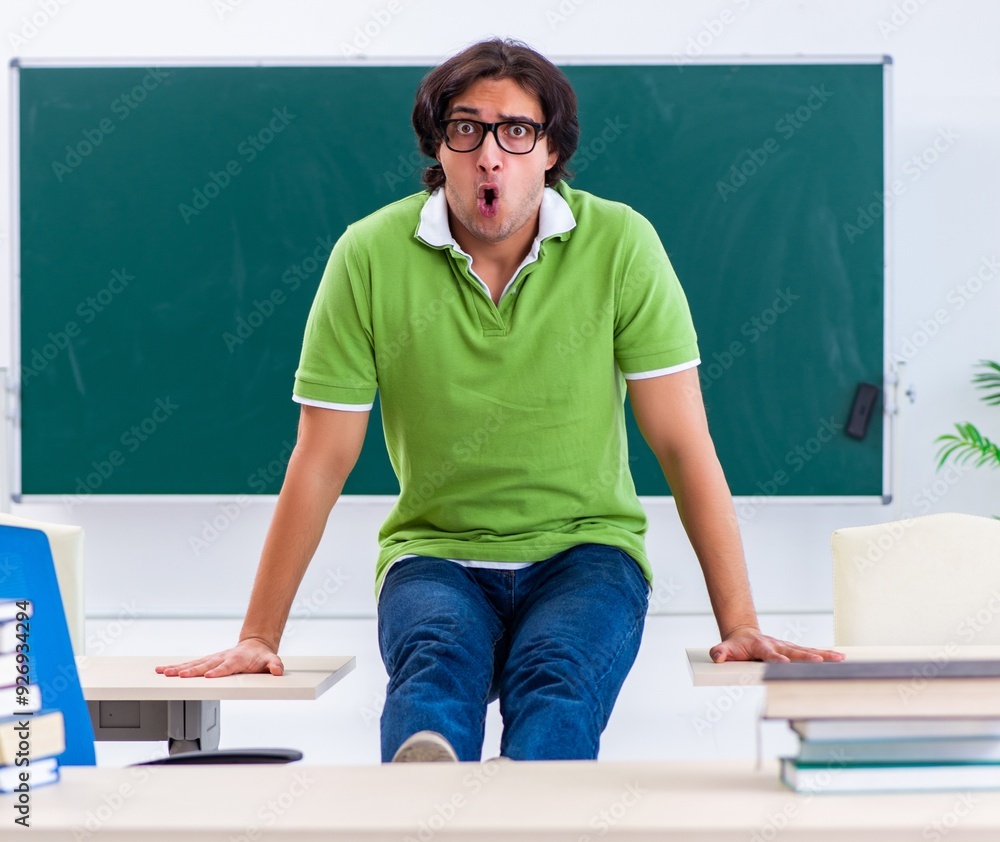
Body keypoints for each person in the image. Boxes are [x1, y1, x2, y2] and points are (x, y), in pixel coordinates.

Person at [157, 38, 843, 763]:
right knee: (434, 670)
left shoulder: (621, 245)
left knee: (557, 680)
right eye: (467, 129)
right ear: (440, 146)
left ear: (550, 151)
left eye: (517, 132)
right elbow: (322, 457)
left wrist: (739, 621)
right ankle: (427, 799)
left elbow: (682, 444)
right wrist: (260, 635)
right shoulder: (367, 255)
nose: (491, 155)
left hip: (588, 552)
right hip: (436, 555)